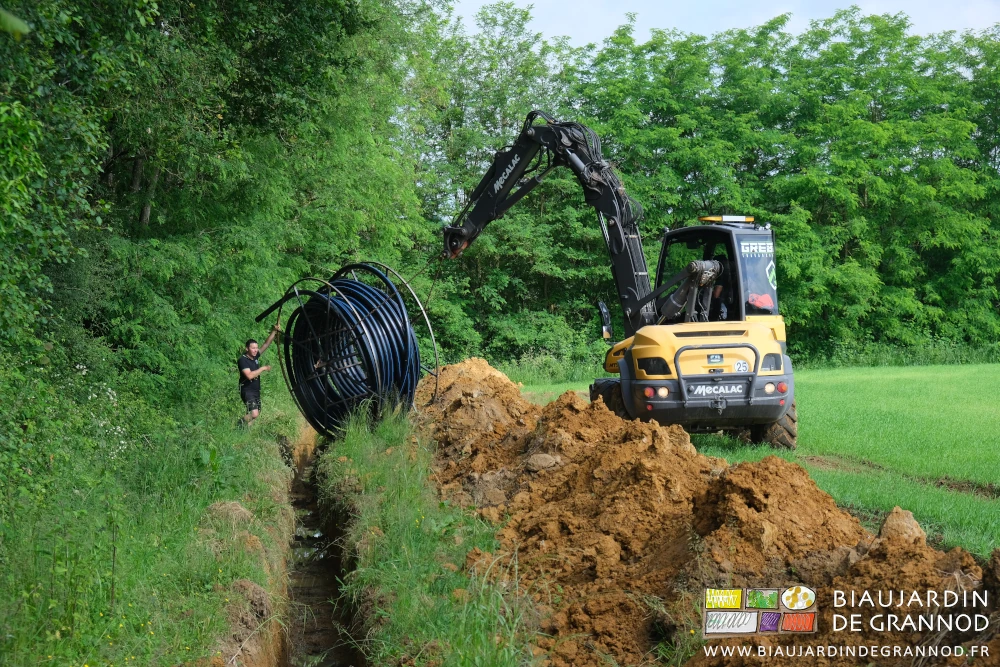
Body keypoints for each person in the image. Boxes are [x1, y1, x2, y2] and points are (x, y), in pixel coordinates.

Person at [238, 323, 280, 427]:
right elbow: (249, 375)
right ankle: (239, 424)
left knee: (256, 413)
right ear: (247, 348)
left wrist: (274, 331)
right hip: (247, 390)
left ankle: (245, 431)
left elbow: (266, 344)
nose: (255, 350)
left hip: (256, 390)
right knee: (254, 413)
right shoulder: (243, 360)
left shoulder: (255, 357)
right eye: (253, 348)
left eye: (256, 348)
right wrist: (263, 368)